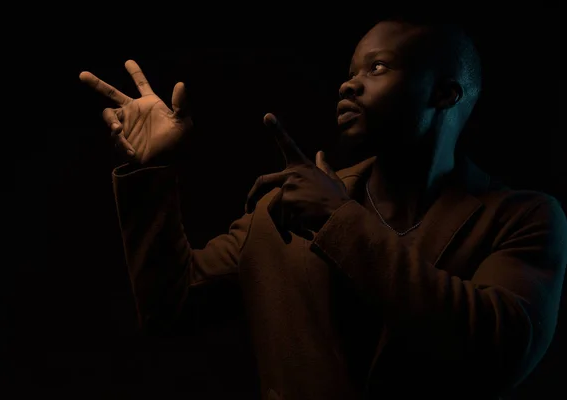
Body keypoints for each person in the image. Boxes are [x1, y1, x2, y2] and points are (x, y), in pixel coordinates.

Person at [79, 16, 567, 400]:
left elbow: (498, 352)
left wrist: (339, 219)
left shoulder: (523, 218)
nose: (348, 85)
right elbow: (171, 308)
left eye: (376, 68)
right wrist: (152, 174)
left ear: (444, 92)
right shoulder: (283, 209)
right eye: (350, 72)